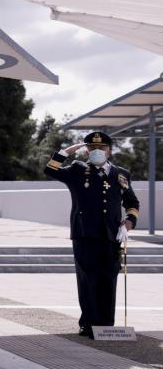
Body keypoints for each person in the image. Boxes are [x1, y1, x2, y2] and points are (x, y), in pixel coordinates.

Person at [44, 132, 139, 338]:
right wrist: (64, 153)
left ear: (109, 150)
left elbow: (132, 202)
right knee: (88, 279)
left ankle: (106, 324)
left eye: (101, 148)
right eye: (92, 148)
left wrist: (129, 222)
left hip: (111, 235)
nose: (97, 151)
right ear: (87, 151)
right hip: (84, 234)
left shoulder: (120, 174)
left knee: (108, 278)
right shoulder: (77, 170)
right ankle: (88, 323)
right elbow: (50, 170)